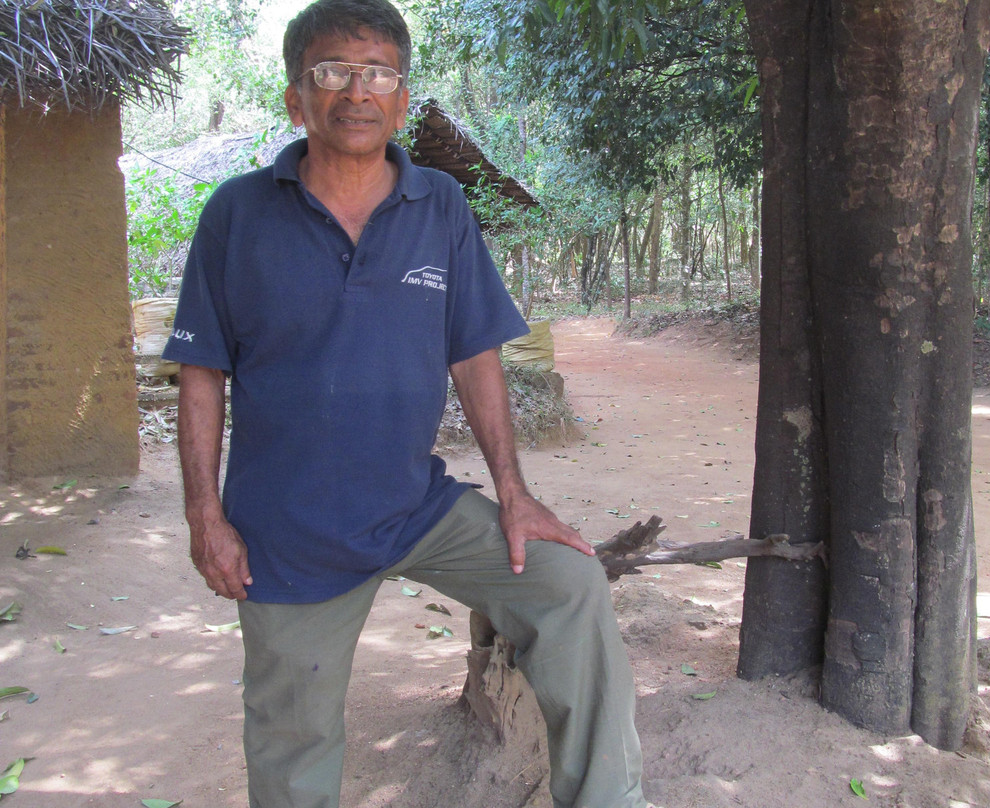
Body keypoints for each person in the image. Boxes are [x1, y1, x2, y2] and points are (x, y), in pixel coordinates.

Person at [161, 1, 648, 806]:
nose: (358, 91)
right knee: (294, 748)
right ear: (297, 96)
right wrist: (204, 518)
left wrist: (516, 495)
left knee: (566, 584)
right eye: (334, 72)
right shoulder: (237, 215)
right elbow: (201, 374)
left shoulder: (441, 208)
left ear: (402, 95)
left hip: (414, 507)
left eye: (379, 72)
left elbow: (473, 352)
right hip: (288, 534)